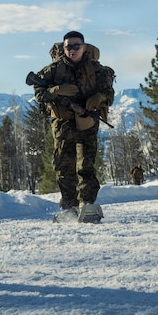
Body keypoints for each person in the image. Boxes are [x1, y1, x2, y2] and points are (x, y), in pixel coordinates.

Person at [30, 31, 115, 222]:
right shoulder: (53, 70)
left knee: (86, 165)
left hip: (87, 122)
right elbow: (39, 93)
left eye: (76, 46)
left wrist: (100, 97)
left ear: (84, 47)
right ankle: (69, 207)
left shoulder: (97, 70)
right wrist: (55, 90)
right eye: (68, 46)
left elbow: (109, 93)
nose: (72, 50)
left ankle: (87, 204)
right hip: (63, 124)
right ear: (63, 48)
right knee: (63, 166)